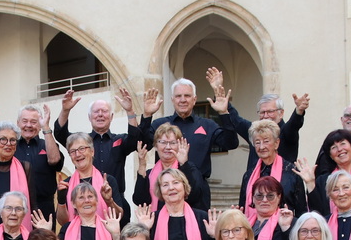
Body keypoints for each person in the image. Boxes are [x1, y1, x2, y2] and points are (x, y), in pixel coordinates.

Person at [141, 78, 238, 210]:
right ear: (172, 99)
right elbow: (142, 144)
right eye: (178, 96)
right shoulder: (160, 125)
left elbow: (231, 143)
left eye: (187, 95)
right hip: (168, 193)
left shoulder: (207, 125)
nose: (183, 100)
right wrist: (147, 116)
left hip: (198, 194)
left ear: (194, 99)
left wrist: (223, 113)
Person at [53, 88, 155, 192]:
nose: (100, 114)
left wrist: (130, 111)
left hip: (116, 201)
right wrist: (65, 110)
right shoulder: (80, 142)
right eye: (96, 111)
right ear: (90, 117)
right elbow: (60, 133)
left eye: (104, 111)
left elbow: (136, 140)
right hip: (87, 198)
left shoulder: (119, 140)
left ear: (111, 117)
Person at [206, 66, 309, 163]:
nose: (266, 116)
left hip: (282, 181)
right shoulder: (253, 130)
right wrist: (222, 100)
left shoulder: (287, 132)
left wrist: (299, 112)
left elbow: (294, 125)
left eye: (270, 111)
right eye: (262, 112)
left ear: (281, 113)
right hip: (255, 180)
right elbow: (236, 120)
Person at [0, 103, 62, 223]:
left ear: (39, 124)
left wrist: (46, 128)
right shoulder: (9, 145)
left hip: (43, 208)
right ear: (18, 123)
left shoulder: (48, 144)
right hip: (11, 209)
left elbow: (54, 160)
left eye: (34, 122)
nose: (28, 125)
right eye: (24, 121)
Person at [238, 120, 313, 220]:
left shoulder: (292, 172)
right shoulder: (249, 175)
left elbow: (301, 211)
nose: (261, 147)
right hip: (254, 230)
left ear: (276, 143)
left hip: (284, 229)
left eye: (266, 141)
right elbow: (242, 209)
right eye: (257, 142)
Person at [56, 132, 126, 226]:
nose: (77, 154)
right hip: (76, 238)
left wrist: (109, 201)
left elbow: (118, 216)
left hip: (104, 235)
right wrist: (61, 201)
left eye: (82, 149)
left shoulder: (108, 181)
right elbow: (63, 222)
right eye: (73, 151)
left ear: (92, 151)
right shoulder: (65, 184)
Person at [132, 123, 203, 209]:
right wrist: (142, 165)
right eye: (163, 142)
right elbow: (139, 201)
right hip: (156, 219)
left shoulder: (189, 168)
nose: (168, 147)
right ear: (155, 146)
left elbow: (193, 197)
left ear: (179, 145)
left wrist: (184, 164)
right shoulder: (149, 174)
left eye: (173, 143)